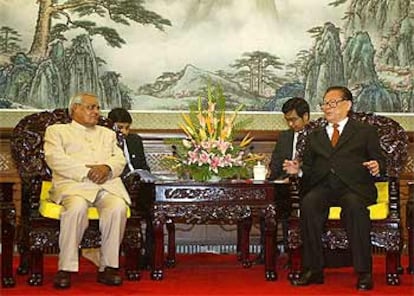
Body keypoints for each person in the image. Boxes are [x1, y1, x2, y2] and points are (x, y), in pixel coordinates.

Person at [283, 86, 386, 291]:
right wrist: (299, 170)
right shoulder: (315, 135)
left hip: (353, 187)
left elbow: (379, 160)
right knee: (309, 204)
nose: (327, 108)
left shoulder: (365, 132)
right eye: (324, 104)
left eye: (332, 103)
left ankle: (364, 272)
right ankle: (313, 269)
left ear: (347, 105)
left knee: (355, 207)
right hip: (324, 186)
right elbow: (310, 167)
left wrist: (377, 165)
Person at [44, 93, 130, 289]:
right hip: (74, 185)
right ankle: (65, 268)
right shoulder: (57, 131)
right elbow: (55, 159)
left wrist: (107, 168)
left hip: (106, 185)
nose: (96, 112)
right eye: (91, 107)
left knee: (117, 207)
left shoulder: (107, 134)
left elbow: (119, 159)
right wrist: (88, 171)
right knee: (76, 208)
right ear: (75, 108)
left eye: (98, 108)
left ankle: (108, 267)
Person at [256, 97, 310, 264]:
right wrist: (268, 181)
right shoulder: (285, 137)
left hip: (307, 184)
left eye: (294, 120)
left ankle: (292, 250)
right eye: (288, 120)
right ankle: (268, 250)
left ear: (306, 116)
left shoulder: (318, 135)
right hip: (283, 184)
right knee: (265, 200)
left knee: (291, 205)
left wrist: (298, 171)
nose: (291, 124)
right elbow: (276, 164)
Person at [108, 107, 155, 269]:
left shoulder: (135, 140)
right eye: (120, 127)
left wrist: (146, 176)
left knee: (154, 210)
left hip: (138, 185)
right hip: (117, 187)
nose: (125, 132)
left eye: (127, 128)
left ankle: (149, 256)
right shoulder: (105, 141)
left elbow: (143, 165)